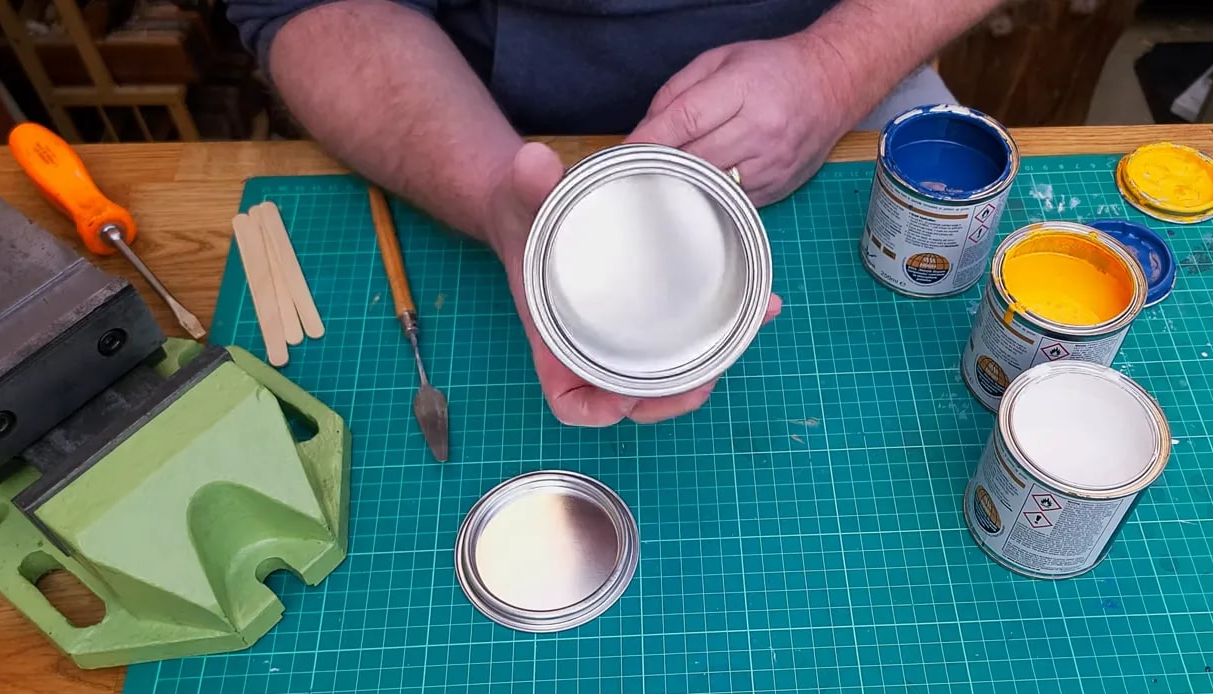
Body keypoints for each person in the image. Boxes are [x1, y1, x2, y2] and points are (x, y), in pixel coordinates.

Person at [225, 0, 1003, 427]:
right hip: (468, 111)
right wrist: (497, 194)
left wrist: (837, 68)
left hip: (856, 58)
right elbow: (305, 9)